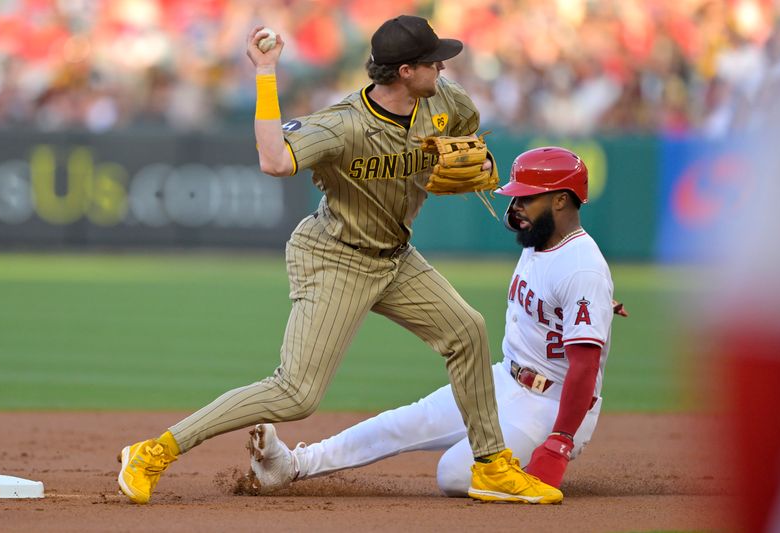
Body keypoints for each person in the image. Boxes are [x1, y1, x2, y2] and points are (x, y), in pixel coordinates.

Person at [117, 15, 561, 505]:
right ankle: (153, 451)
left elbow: (472, 139)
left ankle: (492, 463)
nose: (443, 65)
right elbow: (273, 160)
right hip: (335, 256)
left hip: (395, 256)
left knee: (467, 330)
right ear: (406, 70)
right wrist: (266, 73)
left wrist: (482, 164)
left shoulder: (444, 98)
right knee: (296, 394)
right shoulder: (344, 124)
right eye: (433, 60)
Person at [246, 146, 625, 497]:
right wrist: (594, 304)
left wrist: (560, 440)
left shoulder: (582, 267)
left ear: (561, 200)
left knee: (454, 473)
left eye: (528, 197)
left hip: (548, 407)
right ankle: (292, 465)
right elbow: (560, 294)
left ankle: (526, 465)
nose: (517, 205)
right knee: (405, 422)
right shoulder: (544, 244)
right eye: (516, 196)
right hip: (503, 379)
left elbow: (585, 365)